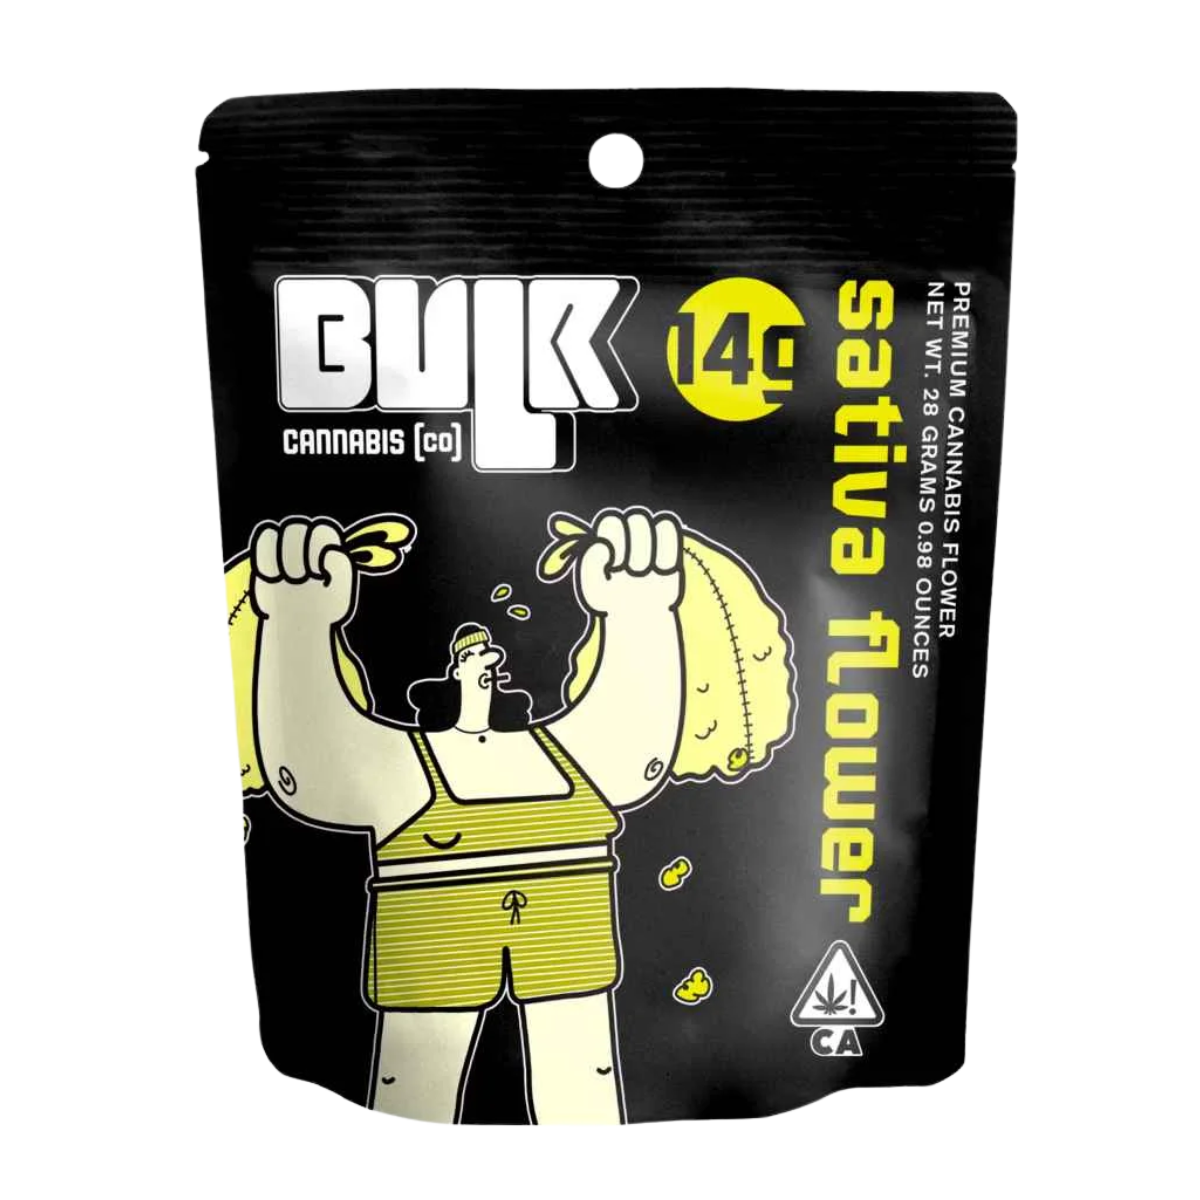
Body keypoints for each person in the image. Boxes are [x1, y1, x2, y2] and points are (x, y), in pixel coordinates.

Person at [250, 507, 684, 1126]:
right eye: (472, 656)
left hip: (566, 943)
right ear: (448, 674)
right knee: (413, 1088)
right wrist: (297, 623)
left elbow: (639, 756)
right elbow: (309, 775)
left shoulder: (572, 753)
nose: (487, 664)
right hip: (435, 950)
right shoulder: (404, 764)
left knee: (583, 1075)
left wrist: (641, 612)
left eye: (492, 655)